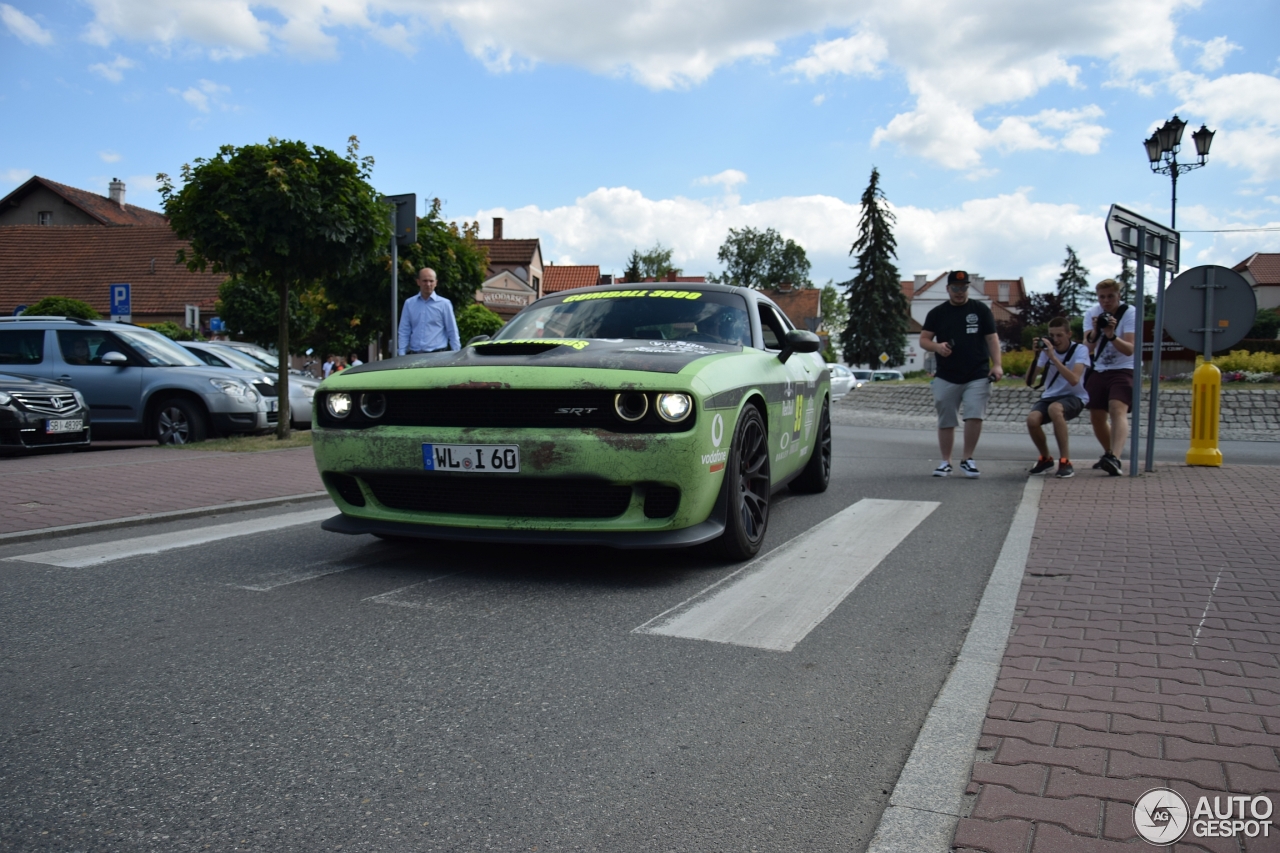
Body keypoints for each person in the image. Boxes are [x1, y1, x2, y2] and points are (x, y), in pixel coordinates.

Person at [919, 270, 1003, 478]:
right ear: (948, 289)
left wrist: (997, 365)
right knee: (946, 418)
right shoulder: (937, 313)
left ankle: (967, 459)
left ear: (968, 288)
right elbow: (924, 340)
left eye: (964, 288)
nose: (959, 292)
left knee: (974, 414)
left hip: (977, 373)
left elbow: (992, 339)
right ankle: (945, 461)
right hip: (947, 375)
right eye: (955, 288)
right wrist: (938, 347)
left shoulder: (980, 310)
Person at [1082, 278, 1136, 476]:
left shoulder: (1130, 313)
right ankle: (1108, 453)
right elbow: (1087, 347)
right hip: (1100, 367)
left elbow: (1130, 349)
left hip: (1124, 368)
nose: (1106, 301)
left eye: (1110, 296)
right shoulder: (1092, 313)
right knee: (1096, 415)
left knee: (1116, 408)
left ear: (1118, 295)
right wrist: (1097, 330)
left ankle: (1116, 458)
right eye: (1102, 297)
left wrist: (1112, 334)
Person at [1025, 316, 1090, 479]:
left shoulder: (1080, 350)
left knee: (1055, 409)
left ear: (1069, 334)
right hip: (1050, 395)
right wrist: (1036, 355)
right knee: (1032, 419)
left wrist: (1053, 358)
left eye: (1059, 335)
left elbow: (1074, 380)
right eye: (1052, 335)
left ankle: (1065, 461)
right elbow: (1030, 381)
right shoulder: (1047, 351)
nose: (1055, 340)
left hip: (1075, 396)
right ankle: (1045, 458)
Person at [398, 267, 460, 356]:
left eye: (431, 281)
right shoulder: (409, 303)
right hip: (414, 355)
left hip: (438, 356)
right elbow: (404, 330)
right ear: (418, 282)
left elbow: (452, 331)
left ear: (436, 283)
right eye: (425, 281)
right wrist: (401, 353)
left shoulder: (444, 304)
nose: (428, 284)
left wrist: (457, 354)